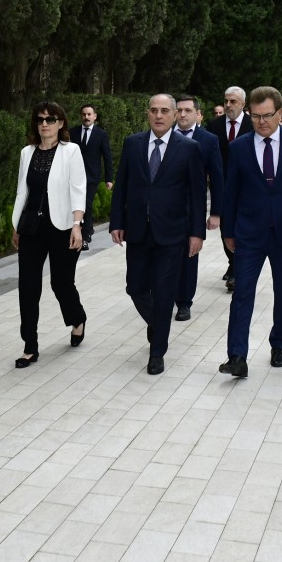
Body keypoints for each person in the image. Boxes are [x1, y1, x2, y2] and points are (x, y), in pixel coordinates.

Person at [219, 87, 282, 377]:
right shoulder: (239, 146)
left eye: (267, 116)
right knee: (242, 294)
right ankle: (237, 356)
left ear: (280, 113)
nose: (262, 122)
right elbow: (231, 191)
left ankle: (279, 343)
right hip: (249, 231)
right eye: (255, 116)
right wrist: (228, 230)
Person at [109, 94, 207, 375]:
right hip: (138, 231)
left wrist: (196, 233)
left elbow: (197, 195)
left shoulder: (189, 148)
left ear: (176, 115)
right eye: (154, 111)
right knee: (135, 288)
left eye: (165, 111)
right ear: (147, 114)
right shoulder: (132, 143)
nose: (159, 115)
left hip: (172, 233)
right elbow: (123, 186)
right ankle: (158, 324)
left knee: (164, 293)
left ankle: (157, 352)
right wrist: (117, 222)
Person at [11, 101, 88, 367]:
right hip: (31, 226)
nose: (45, 123)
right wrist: (16, 226)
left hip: (63, 226)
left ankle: (77, 318)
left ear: (61, 123)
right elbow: (23, 191)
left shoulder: (71, 151)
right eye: (40, 119)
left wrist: (77, 225)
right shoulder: (26, 152)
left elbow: (79, 189)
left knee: (61, 283)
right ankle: (29, 346)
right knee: (28, 287)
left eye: (50, 119)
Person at [173, 96, 224, 321]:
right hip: (162, 208)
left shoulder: (209, 140)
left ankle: (184, 301)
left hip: (192, 207)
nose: (183, 115)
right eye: (179, 111)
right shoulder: (164, 134)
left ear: (197, 114)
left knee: (188, 254)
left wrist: (216, 213)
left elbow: (217, 177)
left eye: (187, 110)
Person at [209, 87, 248, 292]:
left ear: (242, 103)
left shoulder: (252, 125)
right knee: (227, 229)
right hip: (223, 187)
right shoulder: (214, 125)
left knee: (242, 229)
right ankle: (233, 263)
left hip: (247, 187)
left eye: (233, 101)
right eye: (226, 101)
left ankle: (236, 269)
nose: (228, 105)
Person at [68, 104, 114, 249]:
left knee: (86, 204)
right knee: (75, 204)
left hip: (91, 177)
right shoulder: (72, 133)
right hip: (73, 176)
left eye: (89, 114)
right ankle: (77, 231)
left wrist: (108, 178)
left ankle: (86, 235)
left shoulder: (101, 134)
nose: (86, 117)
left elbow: (107, 157)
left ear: (95, 116)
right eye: (83, 114)